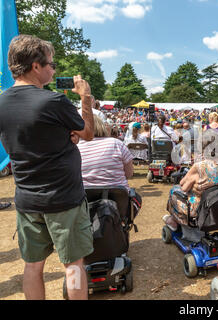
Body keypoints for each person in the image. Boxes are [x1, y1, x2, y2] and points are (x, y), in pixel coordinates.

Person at [0, 35, 95, 300]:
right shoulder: (53, 101)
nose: (54, 70)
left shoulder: (2, 102)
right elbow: (87, 133)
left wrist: (61, 136)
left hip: (27, 198)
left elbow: (22, 137)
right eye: (51, 65)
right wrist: (85, 98)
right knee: (74, 264)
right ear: (35, 66)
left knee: (32, 265)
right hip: (63, 197)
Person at [163, 135, 218, 230]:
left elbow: (183, 186)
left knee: (174, 191)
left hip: (200, 209)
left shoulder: (200, 166)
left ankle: (174, 220)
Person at [77, 115, 134, 190]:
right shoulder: (117, 143)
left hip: (84, 197)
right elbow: (129, 174)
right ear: (102, 126)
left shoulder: (76, 147)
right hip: (118, 196)